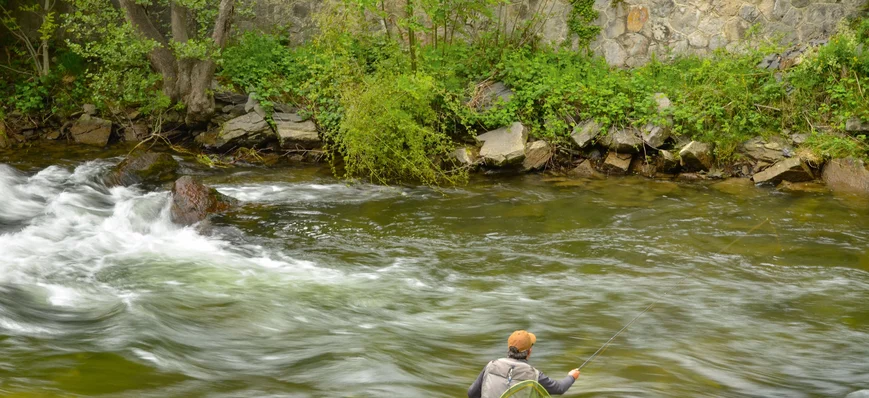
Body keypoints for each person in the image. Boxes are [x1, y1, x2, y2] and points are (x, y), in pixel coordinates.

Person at [468, 330, 580, 398]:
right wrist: (572, 376)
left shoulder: (491, 365)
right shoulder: (534, 375)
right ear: (529, 351)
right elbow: (559, 388)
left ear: (509, 348)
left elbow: (472, 393)